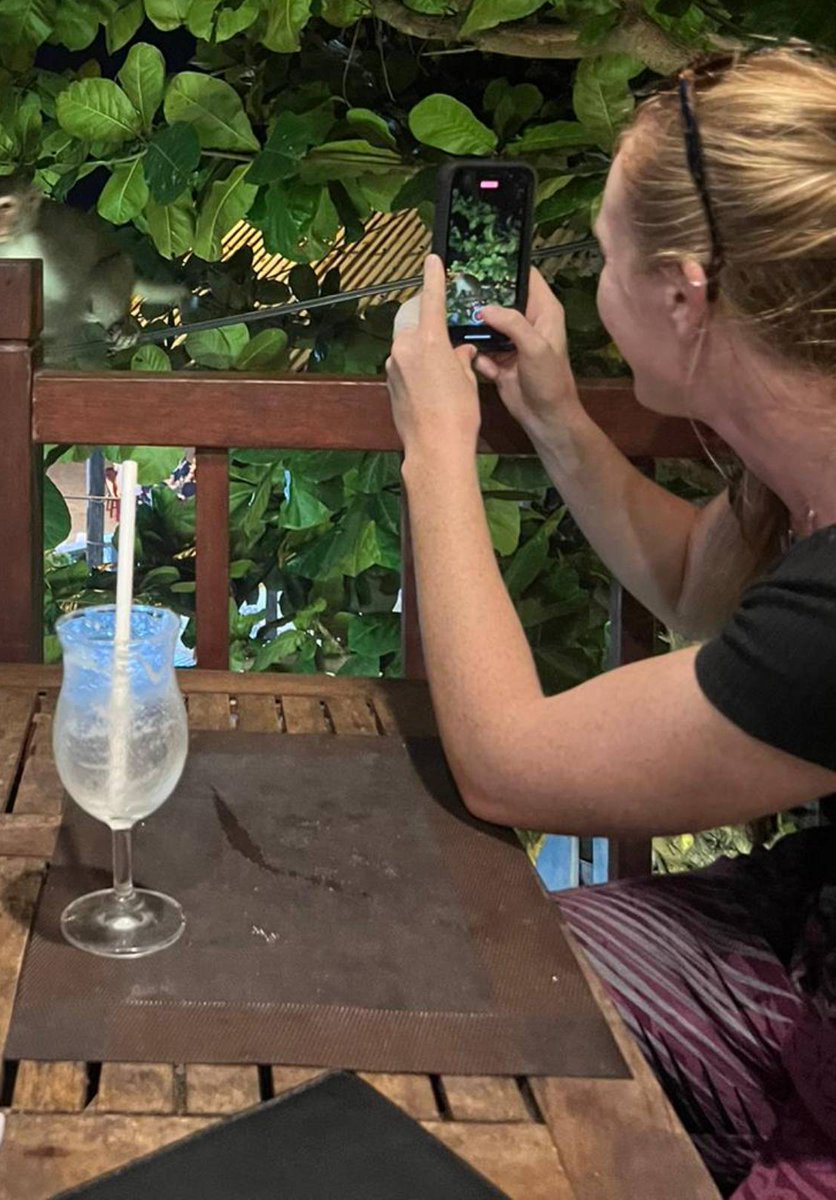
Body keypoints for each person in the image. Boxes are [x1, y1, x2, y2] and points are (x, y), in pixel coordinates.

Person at [385, 46, 836, 1198]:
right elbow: (701, 587)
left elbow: (508, 765)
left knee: (477, 1022)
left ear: (685, 292)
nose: (588, 283)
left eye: (602, 253)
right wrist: (554, 417)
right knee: (503, 969)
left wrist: (436, 449)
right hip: (801, 929)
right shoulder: (805, 474)